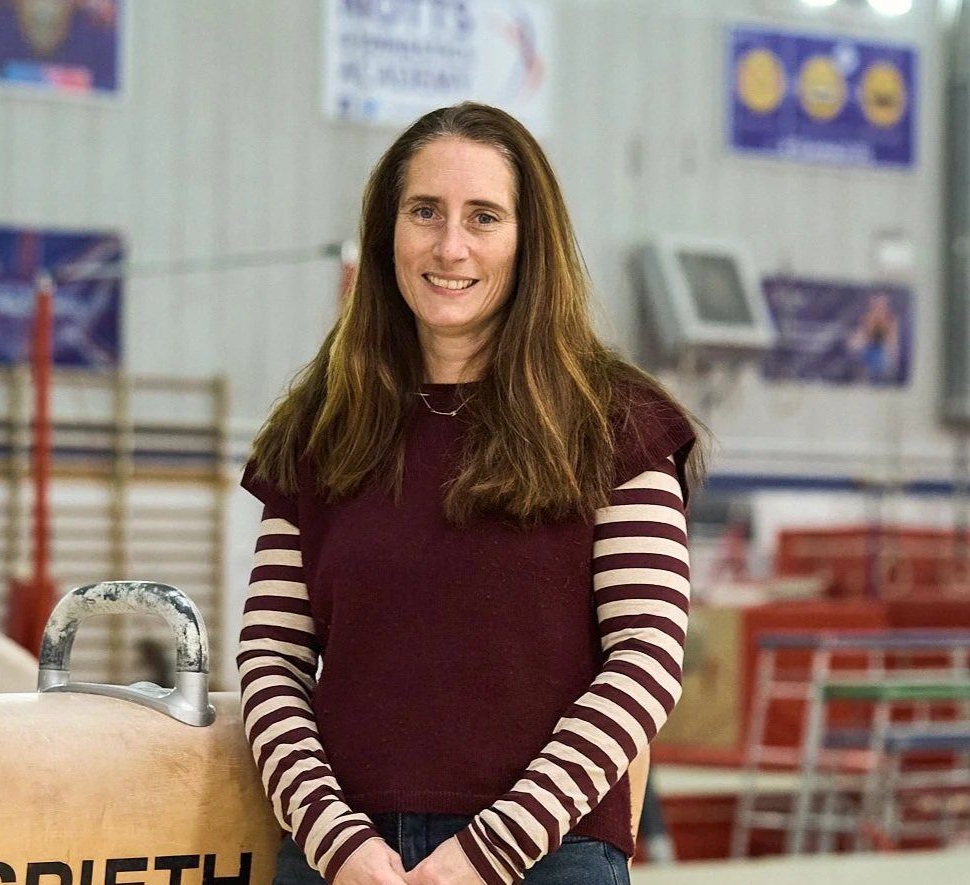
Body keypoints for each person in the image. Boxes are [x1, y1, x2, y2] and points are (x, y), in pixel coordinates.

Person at [237, 102, 701, 885]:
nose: (449, 245)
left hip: (546, 855)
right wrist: (330, 836)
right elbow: (272, 658)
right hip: (345, 861)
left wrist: (494, 847)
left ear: (529, 241)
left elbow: (647, 657)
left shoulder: (615, 420)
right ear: (389, 229)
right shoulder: (319, 424)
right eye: (425, 212)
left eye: (482, 217)